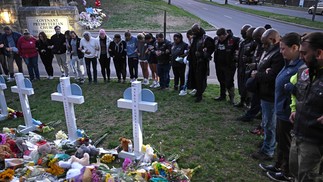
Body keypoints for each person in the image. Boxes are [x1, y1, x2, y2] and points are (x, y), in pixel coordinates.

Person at [259, 32, 304, 182]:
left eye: (283, 49)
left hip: (288, 111)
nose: (280, 51)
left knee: (286, 144)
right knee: (281, 141)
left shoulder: (301, 67)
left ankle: (286, 172)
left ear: (295, 48)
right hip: (281, 109)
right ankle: (279, 165)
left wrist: (291, 87)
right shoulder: (289, 63)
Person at [288, 32, 323, 182]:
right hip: (298, 133)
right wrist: (294, 109)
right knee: (295, 170)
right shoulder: (304, 71)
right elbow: (298, 94)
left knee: (308, 177)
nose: (301, 57)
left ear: (319, 53)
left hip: (315, 140)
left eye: (304, 53)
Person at [251, 29, 284, 161]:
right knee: (266, 122)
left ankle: (268, 150)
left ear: (273, 40)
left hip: (270, 94)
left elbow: (272, 75)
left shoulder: (278, 54)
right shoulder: (270, 50)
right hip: (264, 93)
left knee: (270, 124)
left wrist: (257, 74)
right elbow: (264, 67)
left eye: (265, 43)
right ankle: (267, 143)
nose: (263, 46)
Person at [237, 26, 266, 123]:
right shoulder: (258, 44)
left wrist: (256, 65)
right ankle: (251, 114)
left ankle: (255, 115)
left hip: (262, 75)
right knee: (255, 96)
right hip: (254, 71)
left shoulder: (266, 46)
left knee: (260, 98)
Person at [187, 23, 214, 102]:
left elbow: (210, 50)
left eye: (195, 31)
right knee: (194, 78)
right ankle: (196, 91)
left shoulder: (206, 39)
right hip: (193, 62)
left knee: (200, 79)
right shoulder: (195, 38)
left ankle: (200, 95)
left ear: (198, 30)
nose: (194, 33)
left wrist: (202, 54)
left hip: (201, 63)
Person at [213, 28, 240, 104]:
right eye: (218, 37)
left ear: (226, 34)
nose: (220, 39)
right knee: (221, 80)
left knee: (229, 81)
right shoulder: (216, 40)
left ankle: (231, 98)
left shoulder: (234, 40)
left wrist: (236, 58)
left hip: (229, 65)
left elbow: (239, 50)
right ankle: (222, 95)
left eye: (221, 37)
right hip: (218, 64)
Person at [235, 24, 256, 108]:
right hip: (241, 67)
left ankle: (248, 102)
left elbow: (257, 56)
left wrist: (249, 59)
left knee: (247, 86)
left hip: (248, 68)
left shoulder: (254, 43)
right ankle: (242, 100)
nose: (243, 34)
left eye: (244, 32)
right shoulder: (243, 42)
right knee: (241, 84)